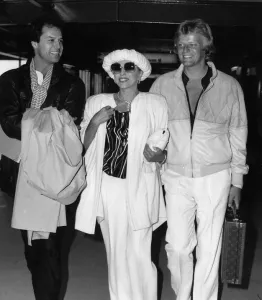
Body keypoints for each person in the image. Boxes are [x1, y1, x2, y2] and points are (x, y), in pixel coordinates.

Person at [150, 19, 248, 300]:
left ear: (207, 47)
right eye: (180, 45)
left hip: (215, 176)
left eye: (192, 44)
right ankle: (183, 295)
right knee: (178, 246)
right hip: (176, 175)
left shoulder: (229, 86)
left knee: (210, 246)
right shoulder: (162, 85)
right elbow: (154, 132)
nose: (185, 50)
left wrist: (237, 180)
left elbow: (238, 134)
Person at [0, 16, 85, 300]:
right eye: (51, 40)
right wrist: (50, 118)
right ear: (35, 43)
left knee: (51, 247)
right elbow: (9, 123)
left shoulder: (72, 84)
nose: (58, 46)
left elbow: (68, 129)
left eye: (60, 41)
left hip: (55, 176)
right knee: (33, 247)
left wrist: (37, 119)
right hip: (20, 174)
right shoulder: (10, 80)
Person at [75, 49, 168, 300]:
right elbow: (82, 146)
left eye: (129, 67)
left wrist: (158, 156)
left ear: (141, 73)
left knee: (140, 252)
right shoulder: (96, 102)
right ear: (111, 73)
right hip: (109, 187)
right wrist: (95, 122)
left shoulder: (155, 103)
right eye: (117, 67)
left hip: (141, 185)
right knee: (116, 253)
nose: (123, 72)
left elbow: (163, 150)